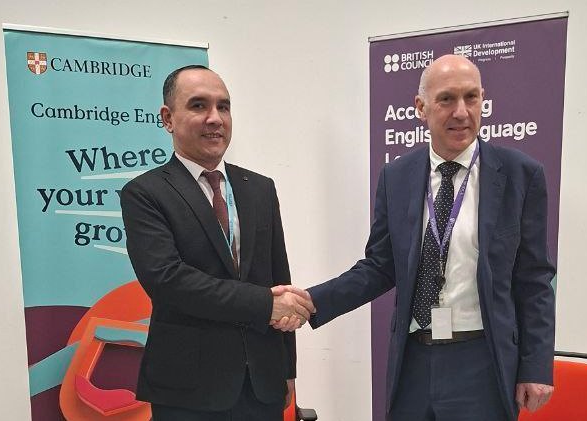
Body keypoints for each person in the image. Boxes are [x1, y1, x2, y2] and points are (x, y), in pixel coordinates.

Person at [274, 54, 556, 420]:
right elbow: (380, 266)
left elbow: (534, 279)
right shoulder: (397, 176)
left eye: (471, 97)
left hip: (483, 361)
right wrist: (312, 301)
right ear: (421, 108)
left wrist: (535, 366)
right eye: (446, 99)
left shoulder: (521, 175)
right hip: (413, 361)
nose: (461, 112)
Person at [120, 64, 314, 421]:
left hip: (262, 385)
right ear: (167, 118)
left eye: (223, 107)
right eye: (199, 105)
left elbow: (278, 278)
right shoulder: (145, 193)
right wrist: (263, 304)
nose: (215, 118)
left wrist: (287, 369)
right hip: (188, 390)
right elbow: (168, 280)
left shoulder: (260, 188)